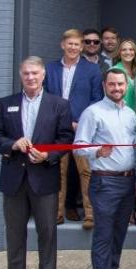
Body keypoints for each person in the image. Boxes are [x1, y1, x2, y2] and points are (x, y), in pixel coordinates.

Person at [0, 57, 73, 269]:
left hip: (44, 178)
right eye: (26, 73)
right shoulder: (6, 104)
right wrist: (11, 145)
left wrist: (49, 155)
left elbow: (66, 139)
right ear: (20, 75)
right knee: (15, 235)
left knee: (47, 234)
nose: (30, 77)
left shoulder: (59, 105)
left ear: (44, 75)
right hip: (14, 180)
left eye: (35, 73)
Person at [73, 68, 136, 269]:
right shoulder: (93, 113)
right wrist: (96, 151)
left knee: (119, 232)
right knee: (103, 235)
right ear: (104, 85)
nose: (117, 88)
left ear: (126, 86)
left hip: (127, 180)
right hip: (104, 182)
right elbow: (78, 146)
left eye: (121, 85)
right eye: (112, 84)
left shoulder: (131, 114)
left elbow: (135, 148)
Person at [44, 28, 104, 229]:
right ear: (63, 45)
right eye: (69, 44)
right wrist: (60, 121)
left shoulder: (92, 70)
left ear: (81, 47)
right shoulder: (50, 69)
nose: (73, 47)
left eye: (77, 44)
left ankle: (91, 215)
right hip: (57, 129)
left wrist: (82, 120)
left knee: (86, 172)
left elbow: (97, 99)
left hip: (82, 128)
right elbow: (45, 98)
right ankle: (57, 214)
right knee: (58, 172)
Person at [110, 38, 136, 109]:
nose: (128, 52)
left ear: (135, 52)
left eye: (131, 49)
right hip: (120, 113)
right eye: (124, 50)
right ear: (119, 53)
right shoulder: (114, 70)